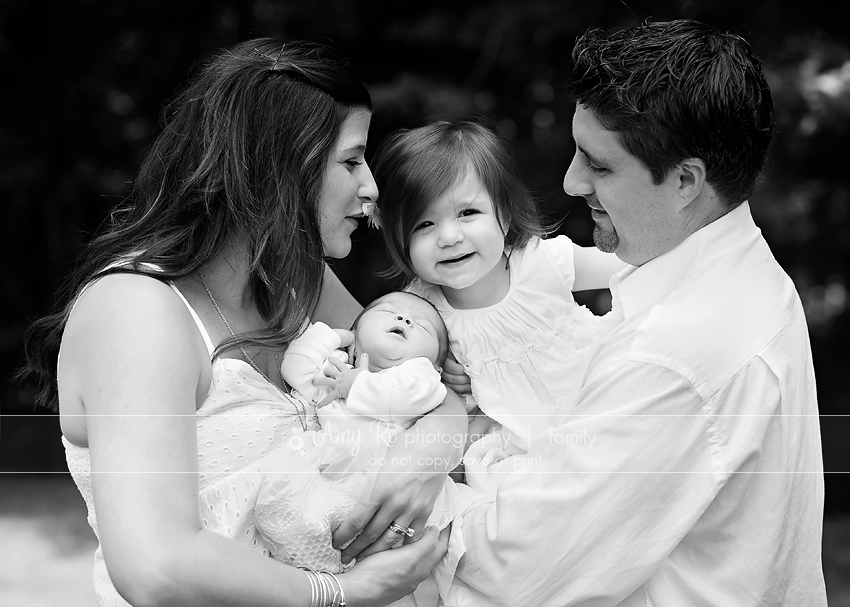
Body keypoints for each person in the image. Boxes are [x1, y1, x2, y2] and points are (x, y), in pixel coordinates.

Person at [18, 38, 467, 607]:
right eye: (351, 160)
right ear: (282, 165)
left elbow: (434, 384)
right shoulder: (136, 310)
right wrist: (341, 593)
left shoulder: (300, 285)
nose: (371, 187)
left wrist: (425, 457)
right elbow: (155, 564)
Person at [434, 19, 828, 606]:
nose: (571, 181)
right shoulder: (743, 277)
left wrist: (438, 492)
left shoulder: (675, 356)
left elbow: (515, 568)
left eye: (600, 164)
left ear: (685, 181)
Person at [370, 117, 626, 493]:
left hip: (594, 406)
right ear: (398, 237)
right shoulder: (420, 313)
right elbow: (395, 383)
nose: (449, 237)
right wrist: (446, 381)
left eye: (467, 213)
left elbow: (630, 264)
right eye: (423, 224)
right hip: (516, 451)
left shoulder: (541, 263)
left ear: (503, 215)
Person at [255, 291, 460, 606]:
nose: (405, 319)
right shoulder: (336, 367)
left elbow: (406, 396)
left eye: (423, 326)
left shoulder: (418, 378)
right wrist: (328, 337)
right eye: (388, 311)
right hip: (333, 481)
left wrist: (356, 383)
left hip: (386, 483)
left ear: (434, 363)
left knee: (393, 574)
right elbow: (296, 371)